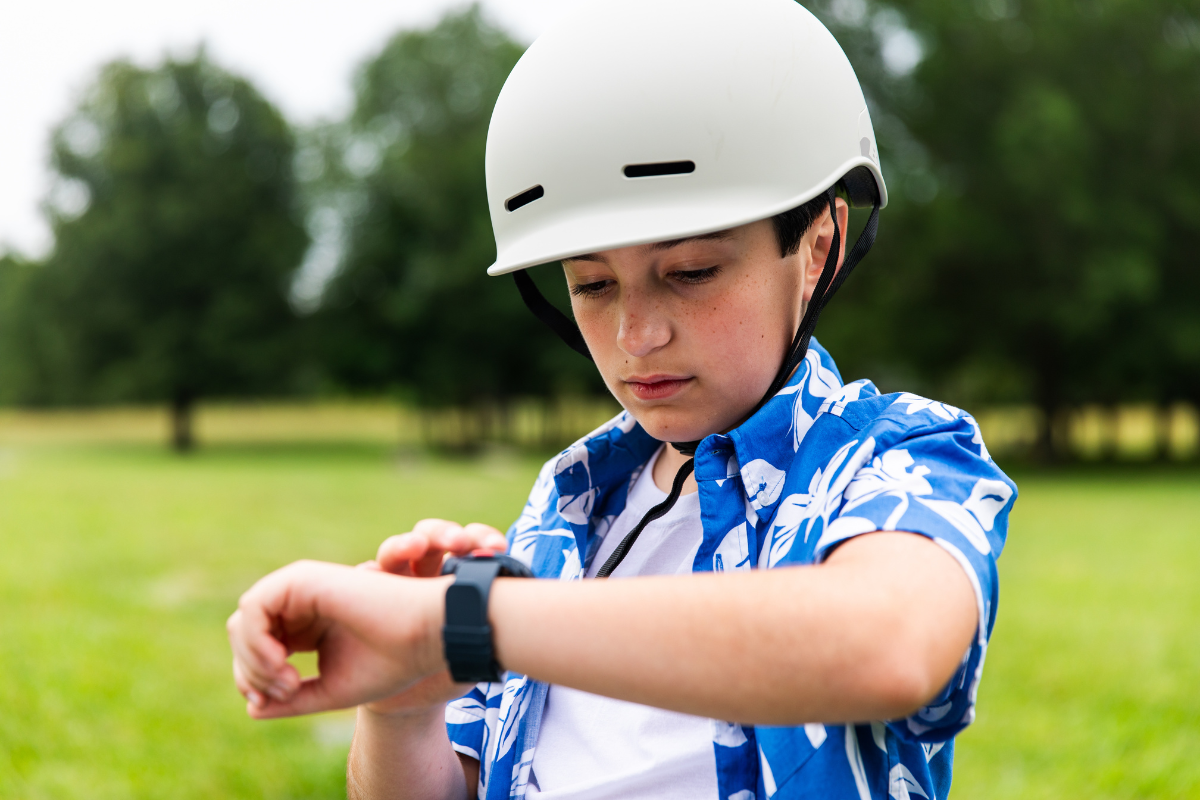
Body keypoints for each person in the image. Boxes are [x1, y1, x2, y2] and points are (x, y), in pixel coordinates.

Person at [227, 1, 1016, 798]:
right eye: (592, 285)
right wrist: (404, 703)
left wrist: (468, 622)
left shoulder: (900, 455)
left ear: (817, 247)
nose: (636, 336)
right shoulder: (571, 503)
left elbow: (884, 646)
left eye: (692, 272)